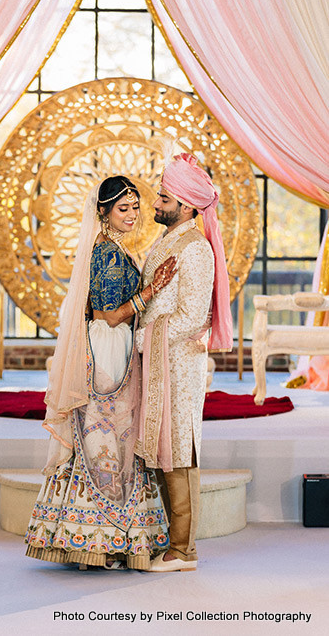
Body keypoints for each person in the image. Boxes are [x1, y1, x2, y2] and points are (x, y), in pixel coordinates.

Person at [25, 176, 176, 570]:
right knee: (110, 438)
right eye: (122, 208)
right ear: (104, 212)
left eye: (135, 206)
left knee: (106, 440)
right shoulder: (107, 253)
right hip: (109, 348)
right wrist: (150, 292)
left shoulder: (114, 248)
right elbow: (109, 315)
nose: (132, 214)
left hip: (114, 345)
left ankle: (94, 539)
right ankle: (103, 542)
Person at [135, 153, 233, 572]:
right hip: (158, 359)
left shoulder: (195, 249)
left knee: (178, 449)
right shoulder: (169, 239)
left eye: (163, 197)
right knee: (161, 448)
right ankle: (172, 542)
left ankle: (184, 550)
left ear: (188, 206)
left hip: (176, 361)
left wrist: (139, 337)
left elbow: (194, 317)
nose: (155, 203)